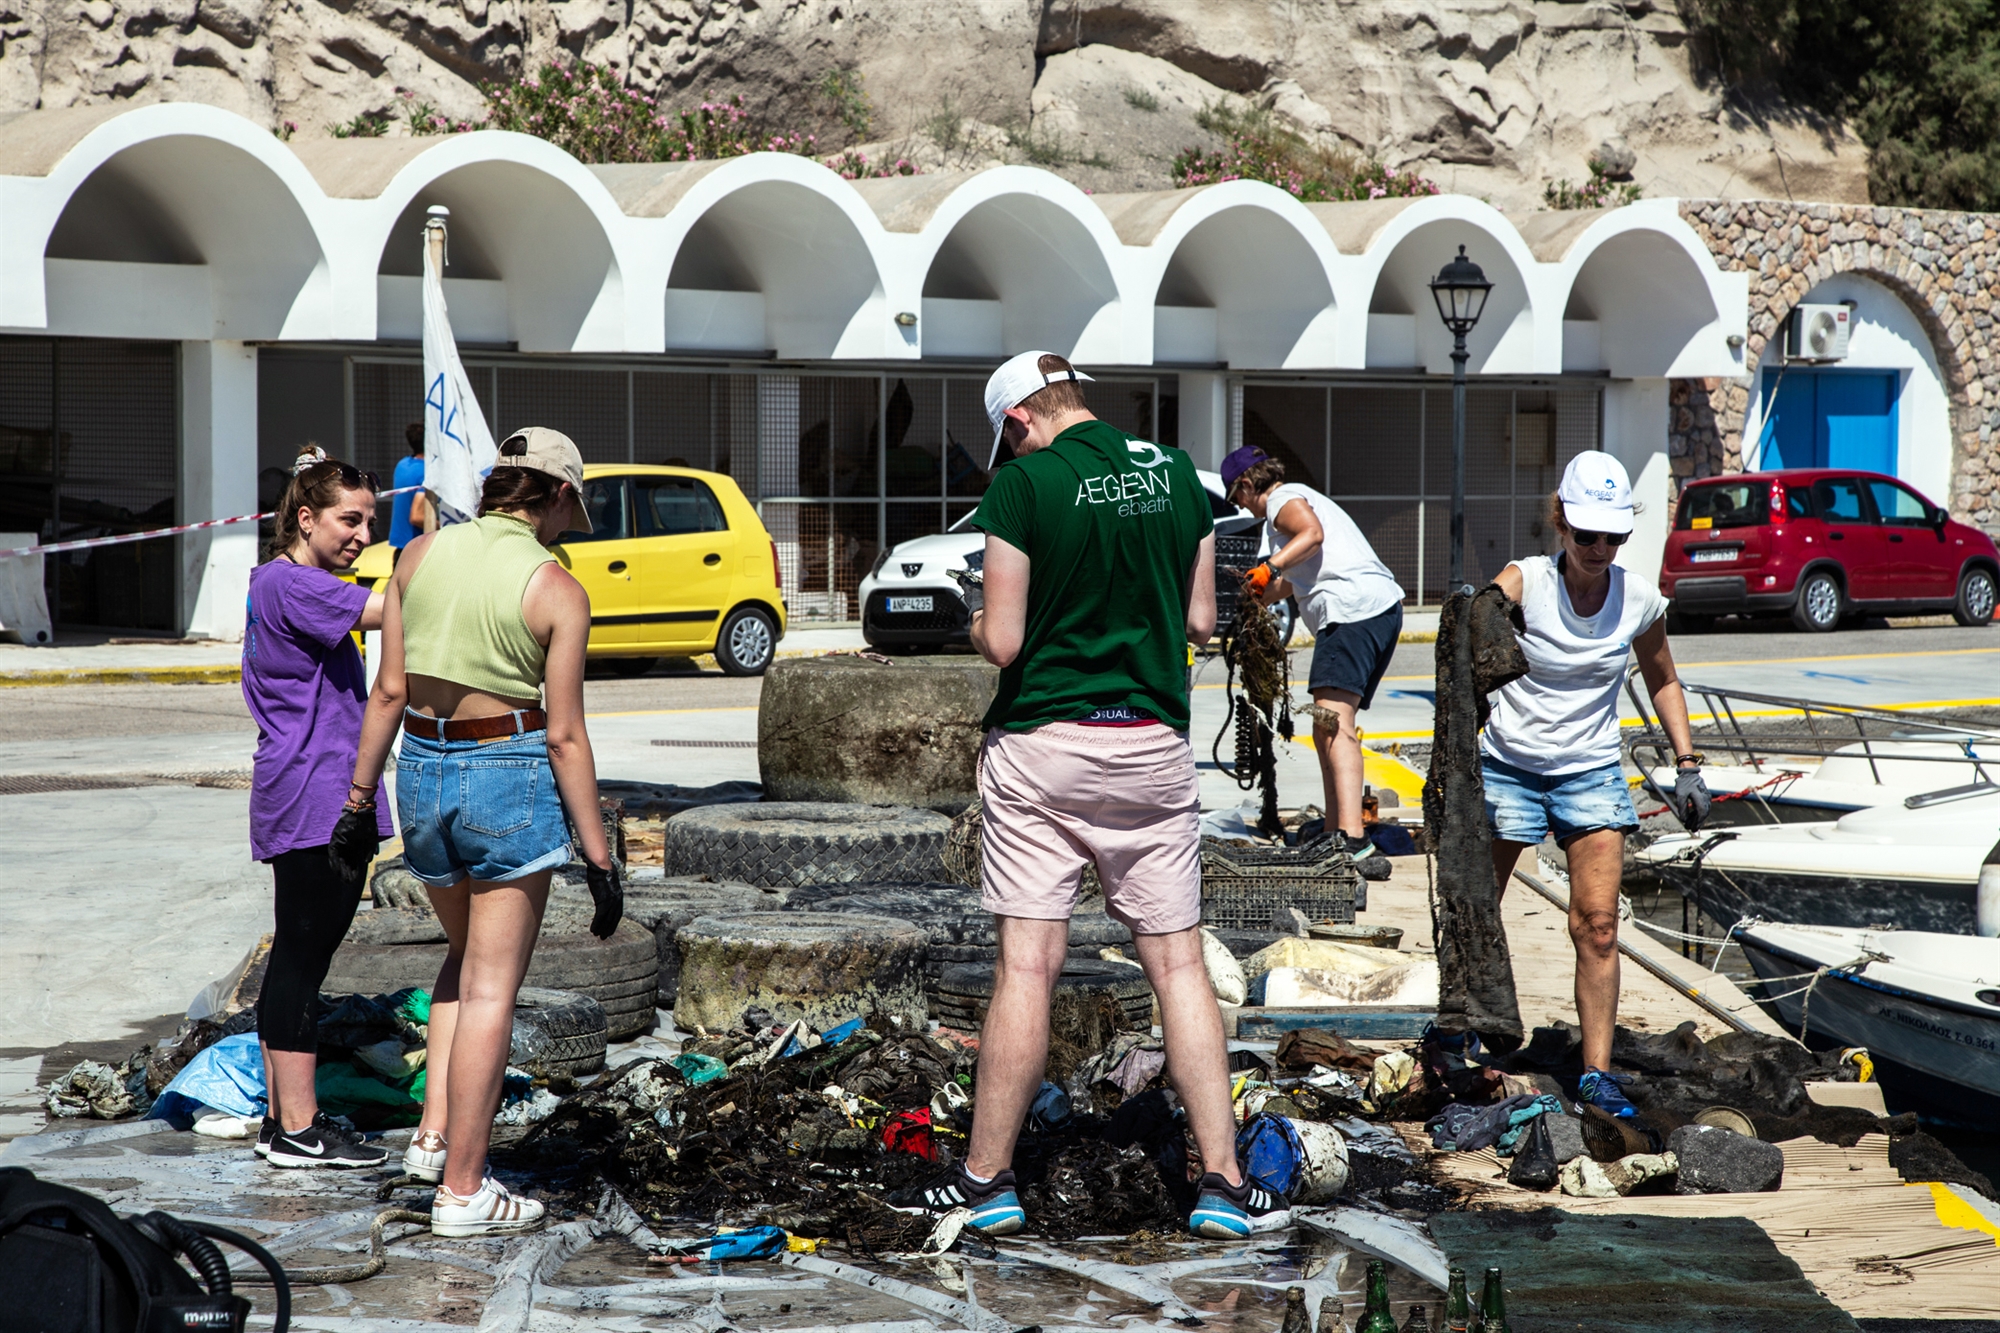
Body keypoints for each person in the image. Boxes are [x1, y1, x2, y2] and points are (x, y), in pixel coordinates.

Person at [893, 351, 1285, 1240]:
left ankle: (988, 1181)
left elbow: (1002, 641)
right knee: (1178, 964)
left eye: (1008, 439)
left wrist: (976, 610)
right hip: (1149, 743)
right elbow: (1197, 622)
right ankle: (1220, 1181)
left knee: (1028, 963)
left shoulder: (1024, 488)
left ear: (1020, 419)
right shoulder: (1174, 472)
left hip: (1046, 744)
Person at [345, 426, 623, 1237]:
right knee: (494, 988)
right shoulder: (556, 588)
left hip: (422, 771)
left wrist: (358, 807)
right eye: (577, 505)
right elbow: (566, 735)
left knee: (463, 963)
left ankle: (433, 1142)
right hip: (506, 769)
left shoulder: (420, 554)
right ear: (561, 495)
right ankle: (465, 1189)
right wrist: (601, 860)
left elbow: (387, 692)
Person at [1484, 450, 1710, 1118]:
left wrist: (1688, 761)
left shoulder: (1636, 597)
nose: (1600, 548)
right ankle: (1472, 1040)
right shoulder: (1528, 579)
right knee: (1478, 916)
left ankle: (1597, 1073)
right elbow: (1486, 613)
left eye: (1614, 536)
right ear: (1561, 521)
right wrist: (1486, 611)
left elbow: (1663, 677)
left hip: (1588, 768)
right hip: (1508, 764)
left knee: (1599, 926)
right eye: (1586, 534)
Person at [243, 446, 392, 1170]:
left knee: (296, 955)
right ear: (305, 518)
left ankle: (283, 1120)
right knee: (304, 955)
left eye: (372, 521)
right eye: (350, 520)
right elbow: (393, 607)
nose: (363, 535)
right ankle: (299, 1130)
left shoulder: (281, 583)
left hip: (302, 787)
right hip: (315, 792)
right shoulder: (295, 583)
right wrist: (445, 558)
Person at [1220, 447, 1405, 856]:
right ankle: (1338, 829)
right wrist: (1257, 599)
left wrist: (1269, 565)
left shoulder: (1283, 502)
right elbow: (1299, 574)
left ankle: (1353, 840)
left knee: (1332, 723)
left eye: (1237, 499)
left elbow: (1311, 534)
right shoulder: (1298, 502)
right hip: (1374, 610)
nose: (1242, 507)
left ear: (1247, 485)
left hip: (1350, 613)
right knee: (1328, 726)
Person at [389, 422, 428, 559]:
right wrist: (446, 526)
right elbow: (417, 517)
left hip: (400, 549)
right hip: (417, 551)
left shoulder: (403, 464)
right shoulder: (426, 472)